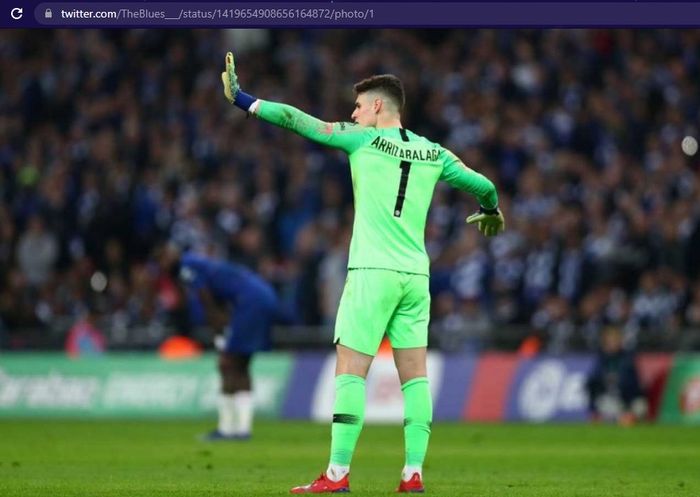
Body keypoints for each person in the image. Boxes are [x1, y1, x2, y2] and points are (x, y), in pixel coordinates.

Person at [221, 52, 505, 493]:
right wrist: (489, 211)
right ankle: (413, 473)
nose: (352, 114)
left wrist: (244, 99)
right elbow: (485, 186)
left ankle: (336, 474)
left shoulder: (362, 139)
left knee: (351, 373)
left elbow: (299, 120)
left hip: (372, 272)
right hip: (415, 277)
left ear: (377, 107)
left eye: (357, 106)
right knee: (416, 378)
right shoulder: (435, 152)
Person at [161, 244, 282, 440]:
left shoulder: (186, 266)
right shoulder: (200, 263)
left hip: (250, 301)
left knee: (227, 363)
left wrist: (219, 335)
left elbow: (206, 300)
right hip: (262, 295)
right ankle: (241, 429)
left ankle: (228, 429)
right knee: (240, 365)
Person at [585, 326, 647, 426]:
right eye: (610, 341)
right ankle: (622, 418)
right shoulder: (601, 361)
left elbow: (636, 386)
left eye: (615, 340)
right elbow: (592, 385)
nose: (612, 343)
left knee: (641, 405)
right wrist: (593, 409)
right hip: (611, 400)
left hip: (627, 399)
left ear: (620, 341)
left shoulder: (628, 359)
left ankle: (625, 417)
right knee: (605, 403)